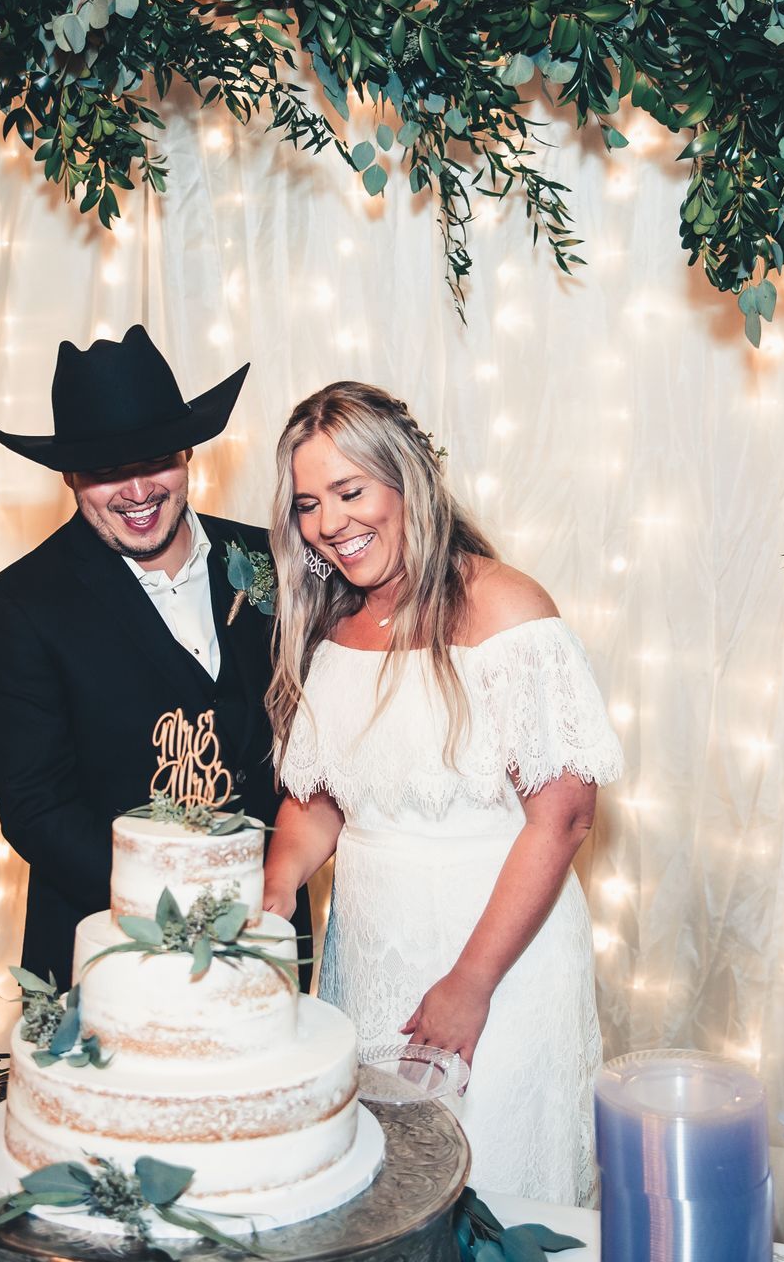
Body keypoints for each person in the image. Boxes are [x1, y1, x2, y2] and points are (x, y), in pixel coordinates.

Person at [259, 381, 622, 1205]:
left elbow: (563, 819)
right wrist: (277, 887)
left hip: (501, 964)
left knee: (493, 1195)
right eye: (311, 502)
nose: (330, 522)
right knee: (382, 1203)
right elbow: (318, 803)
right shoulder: (332, 626)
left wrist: (471, 984)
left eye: (351, 491)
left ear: (408, 480)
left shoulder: (506, 608)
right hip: (369, 961)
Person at [0, 324, 308, 986]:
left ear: (188, 452)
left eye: (155, 459)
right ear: (70, 477)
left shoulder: (275, 560)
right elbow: (37, 809)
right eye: (105, 471)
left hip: (268, 937)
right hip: (115, 956)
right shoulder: (18, 606)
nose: (137, 491)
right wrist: (178, 914)